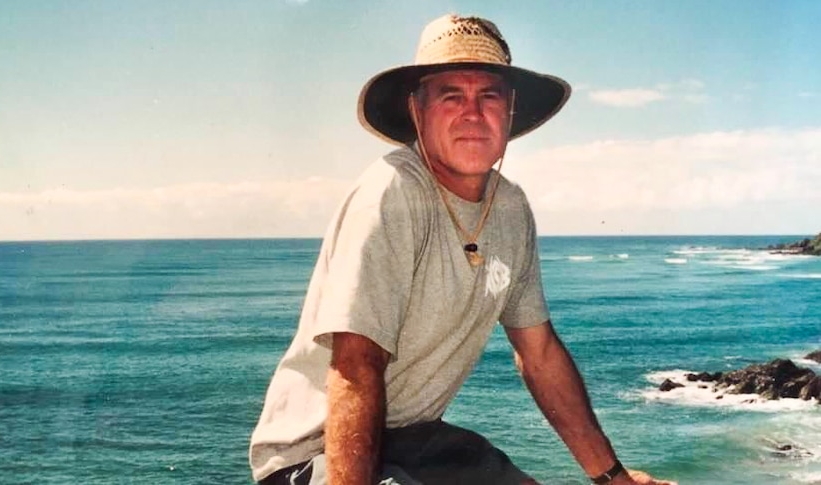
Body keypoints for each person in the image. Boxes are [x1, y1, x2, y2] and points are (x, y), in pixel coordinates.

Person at [250, 14, 676, 485]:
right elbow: (355, 363)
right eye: (451, 95)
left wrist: (612, 476)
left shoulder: (510, 208)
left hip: (418, 440)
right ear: (417, 109)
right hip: (319, 451)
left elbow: (539, 353)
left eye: (488, 95)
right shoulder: (392, 193)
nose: (472, 113)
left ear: (510, 111)